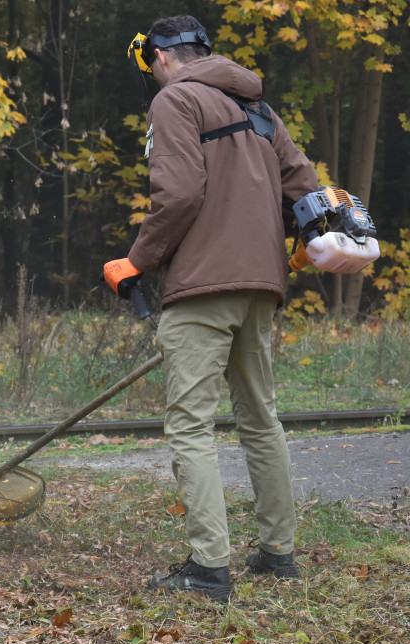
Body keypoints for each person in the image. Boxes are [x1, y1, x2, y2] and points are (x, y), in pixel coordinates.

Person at [104, 15, 321, 602]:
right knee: (260, 418)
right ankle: (278, 554)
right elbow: (306, 188)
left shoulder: (176, 102)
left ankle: (209, 568)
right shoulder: (259, 109)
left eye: (148, 65)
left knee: (190, 425)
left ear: (159, 57)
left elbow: (177, 195)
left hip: (201, 285)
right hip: (261, 287)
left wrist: (136, 262)